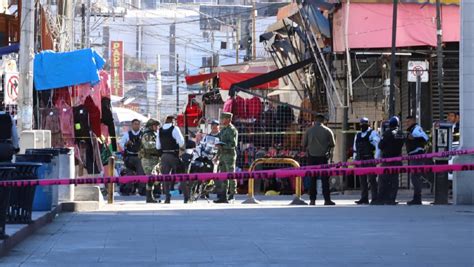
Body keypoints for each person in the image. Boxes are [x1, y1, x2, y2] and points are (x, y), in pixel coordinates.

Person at [302, 114, 336, 206]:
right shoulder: (328, 130)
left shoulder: (309, 131)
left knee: (312, 179)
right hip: (323, 157)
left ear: (315, 120)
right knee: (325, 179)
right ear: (323, 120)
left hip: (311, 157)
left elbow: (303, 144)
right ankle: (327, 200)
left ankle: (312, 200)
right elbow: (333, 144)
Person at [376, 116, 405, 205]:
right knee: (394, 180)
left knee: (383, 179)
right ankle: (391, 199)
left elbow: (380, 145)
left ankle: (382, 198)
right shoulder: (401, 134)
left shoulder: (387, 133)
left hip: (387, 160)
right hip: (397, 159)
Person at [156, 115, 185, 203]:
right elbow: (181, 142)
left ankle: (167, 198)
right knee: (182, 174)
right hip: (174, 155)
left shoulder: (160, 130)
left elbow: (158, 146)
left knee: (165, 177)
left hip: (164, 156)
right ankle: (186, 197)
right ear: (173, 121)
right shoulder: (175, 128)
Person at [353, 117, 380, 205]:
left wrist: (376, 158)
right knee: (362, 180)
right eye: (361, 124)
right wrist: (354, 159)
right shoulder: (358, 134)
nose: (363, 126)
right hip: (360, 159)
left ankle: (375, 198)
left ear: (368, 124)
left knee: (372, 179)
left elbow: (377, 146)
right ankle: (364, 198)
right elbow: (355, 148)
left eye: (364, 124)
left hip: (369, 159)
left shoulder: (373, 133)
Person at [214, 112, 238, 203]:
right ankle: (223, 196)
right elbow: (220, 144)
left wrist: (223, 146)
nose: (222, 120)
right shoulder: (223, 130)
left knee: (231, 175)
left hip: (229, 155)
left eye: (223, 119)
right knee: (223, 175)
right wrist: (217, 156)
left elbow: (233, 144)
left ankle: (232, 194)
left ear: (228, 119)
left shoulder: (232, 130)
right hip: (223, 155)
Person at [405, 116, 429, 205]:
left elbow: (425, 138)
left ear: (413, 121)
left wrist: (414, 139)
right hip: (413, 156)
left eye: (409, 121)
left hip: (417, 156)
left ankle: (417, 199)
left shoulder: (416, 128)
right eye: (406, 121)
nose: (407, 123)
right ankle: (416, 198)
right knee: (414, 177)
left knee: (415, 178)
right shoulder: (411, 129)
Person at [139, 118, 161, 203]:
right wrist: (159, 145)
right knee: (151, 178)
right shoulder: (147, 135)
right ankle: (149, 197)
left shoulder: (155, 134)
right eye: (155, 125)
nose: (157, 127)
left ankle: (152, 195)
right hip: (148, 159)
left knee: (156, 178)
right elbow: (148, 145)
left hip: (155, 159)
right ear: (151, 126)